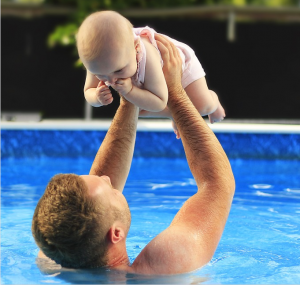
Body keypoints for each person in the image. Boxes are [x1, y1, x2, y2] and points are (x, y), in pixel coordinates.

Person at [32, 34, 235, 275]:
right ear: (115, 234)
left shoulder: (54, 253)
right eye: (108, 188)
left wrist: (130, 98)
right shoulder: (163, 267)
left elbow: (89, 212)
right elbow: (217, 185)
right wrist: (176, 93)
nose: (107, 178)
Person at [76, 11, 226, 138]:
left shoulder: (147, 57)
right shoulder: (98, 60)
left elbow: (160, 101)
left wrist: (130, 91)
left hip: (180, 65)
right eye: (100, 75)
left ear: (136, 49)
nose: (111, 80)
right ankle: (175, 114)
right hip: (153, 84)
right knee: (136, 110)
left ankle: (214, 101)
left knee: (201, 107)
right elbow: (88, 91)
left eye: (118, 71)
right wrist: (96, 97)